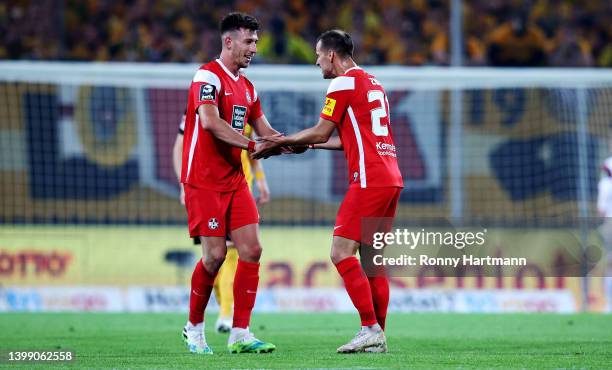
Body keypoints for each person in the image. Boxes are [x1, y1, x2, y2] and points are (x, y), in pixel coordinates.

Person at [254, 29, 403, 353]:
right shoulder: (373, 83)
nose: (316, 61)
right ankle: (377, 338)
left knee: (339, 253)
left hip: (368, 179)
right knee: (373, 263)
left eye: (318, 55)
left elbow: (321, 132)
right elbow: (351, 140)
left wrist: (281, 140)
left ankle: (369, 328)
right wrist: (308, 144)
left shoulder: (342, 83)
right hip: (390, 178)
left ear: (332, 55)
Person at [179, 12, 282, 355]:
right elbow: (209, 122)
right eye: (249, 41)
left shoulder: (249, 87)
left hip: (235, 180)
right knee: (215, 256)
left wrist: (299, 141)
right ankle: (194, 329)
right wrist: (253, 145)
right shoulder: (207, 76)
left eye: (256, 41)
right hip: (204, 181)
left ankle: (241, 332)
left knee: (252, 250)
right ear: (229, 41)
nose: (254, 47)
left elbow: (266, 131)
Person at [172, 112, 270, 334]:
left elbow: (252, 153)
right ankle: (210, 316)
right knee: (214, 257)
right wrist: (183, 183)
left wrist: (262, 184)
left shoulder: (244, 106)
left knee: (237, 251)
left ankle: (228, 316)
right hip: (207, 189)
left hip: (240, 188)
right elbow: (179, 147)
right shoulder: (199, 109)